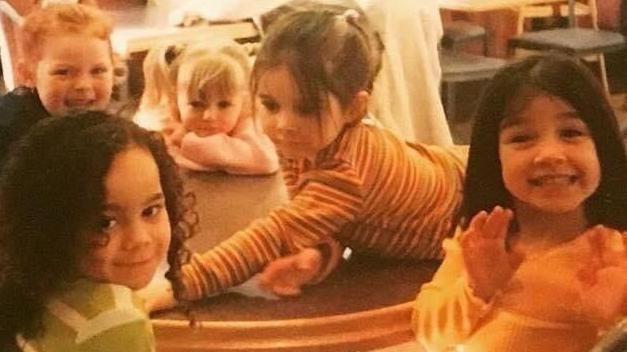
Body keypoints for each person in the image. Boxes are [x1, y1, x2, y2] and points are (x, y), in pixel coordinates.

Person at [144, 9, 467, 309]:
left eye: (307, 109)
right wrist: (319, 252)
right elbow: (326, 215)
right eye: (270, 104)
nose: (284, 124)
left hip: (472, 204)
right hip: (446, 171)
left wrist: (177, 286)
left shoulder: (347, 170)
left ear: (355, 108)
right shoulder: (309, 143)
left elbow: (274, 234)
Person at [412, 54, 627, 352]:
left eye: (571, 133)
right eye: (522, 137)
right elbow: (430, 334)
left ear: (602, 146)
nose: (550, 153)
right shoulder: (483, 239)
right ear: (493, 156)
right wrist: (477, 289)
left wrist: (614, 318)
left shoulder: (615, 252)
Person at [0, 112, 196, 351]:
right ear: (54, 224)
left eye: (150, 210)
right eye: (106, 223)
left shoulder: (33, 284)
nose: (139, 239)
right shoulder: (115, 320)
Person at [134, 40, 279, 175]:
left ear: (244, 101)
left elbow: (266, 161)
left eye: (224, 105)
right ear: (176, 99)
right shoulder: (165, 121)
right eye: (196, 104)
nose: (209, 116)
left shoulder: (249, 120)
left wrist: (188, 142)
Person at [0, 3, 114, 166]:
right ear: (28, 74)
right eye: (63, 72)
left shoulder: (109, 130)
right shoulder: (12, 133)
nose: (83, 85)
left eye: (98, 71)